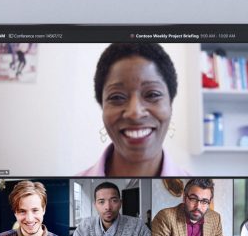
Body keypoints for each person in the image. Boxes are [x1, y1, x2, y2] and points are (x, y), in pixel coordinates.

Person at [79, 43, 188, 177]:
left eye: (152, 94)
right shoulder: (74, 189)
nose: (135, 112)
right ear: (102, 107)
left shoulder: (193, 189)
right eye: (117, 97)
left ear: (170, 104)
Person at [0, 180, 69, 236]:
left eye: (35, 210)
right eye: (22, 211)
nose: (29, 219)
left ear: (43, 210)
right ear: (15, 213)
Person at [70, 181, 150, 236]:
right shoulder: (84, 226)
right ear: (95, 205)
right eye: (101, 202)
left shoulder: (138, 226)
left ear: (120, 203)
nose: (108, 207)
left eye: (114, 201)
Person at [151, 178, 226, 236]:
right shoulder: (165, 217)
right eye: (193, 199)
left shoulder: (215, 218)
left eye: (204, 201)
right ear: (184, 198)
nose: (198, 207)